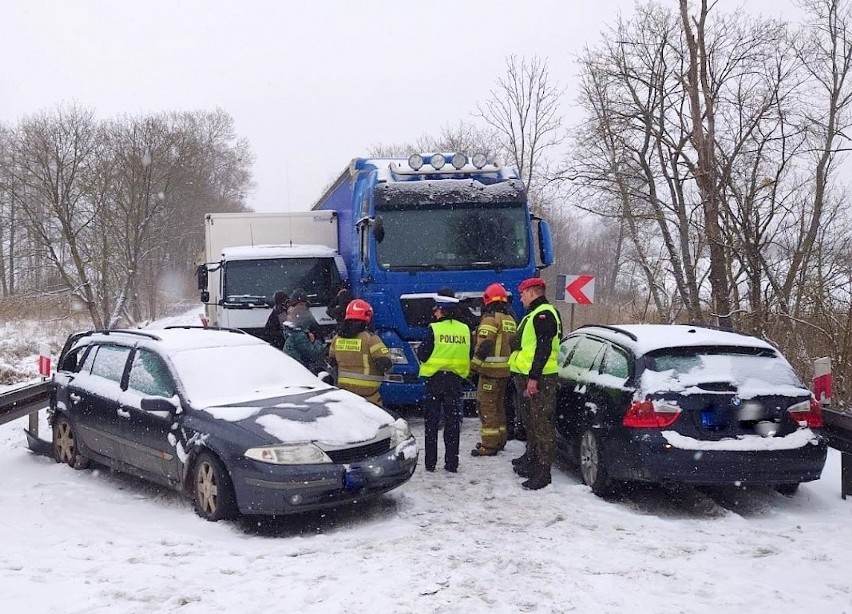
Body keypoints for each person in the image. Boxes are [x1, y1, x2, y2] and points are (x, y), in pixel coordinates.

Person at [508, 277, 562, 490]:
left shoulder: (544, 314)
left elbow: (544, 347)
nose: (520, 298)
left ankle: (543, 472)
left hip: (540, 378)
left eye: (522, 294)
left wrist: (534, 378)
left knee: (542, 424)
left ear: (532, 292)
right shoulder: (534, 314)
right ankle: (532, 459)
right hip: (529, 375)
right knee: (530, 421)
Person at [417, 288, 471, 473]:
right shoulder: (465, 329)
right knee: (452, 424)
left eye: (436, 308)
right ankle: (451, 463)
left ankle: (430, 463)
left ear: (442, 310)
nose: (434, 312)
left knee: (431, 424)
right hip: (455, 381)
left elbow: (423, 354)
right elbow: (469, 354)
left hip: (435, 381)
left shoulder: (434, 328)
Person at [470, 283, 517, 457]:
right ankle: (500, 439)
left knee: (487, 406)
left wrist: (473, 367)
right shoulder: (510, 319)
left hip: (490, 372)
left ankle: (488, 445)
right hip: (505, 372)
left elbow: (485, 344)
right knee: (499, 407)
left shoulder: (490, 319)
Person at [328, 299, 392, 406]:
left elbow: (332, 362)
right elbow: (386, 365)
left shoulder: (336, 339)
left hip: (345, 395)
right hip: (369, 397)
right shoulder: (371, 339)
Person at [283, 288, 326, 372]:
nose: (302, 308)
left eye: (304, 305)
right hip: (300, 370)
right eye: (300, 305)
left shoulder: (292, 329)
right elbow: (314, 354)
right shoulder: (299, 334)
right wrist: (316, 341)